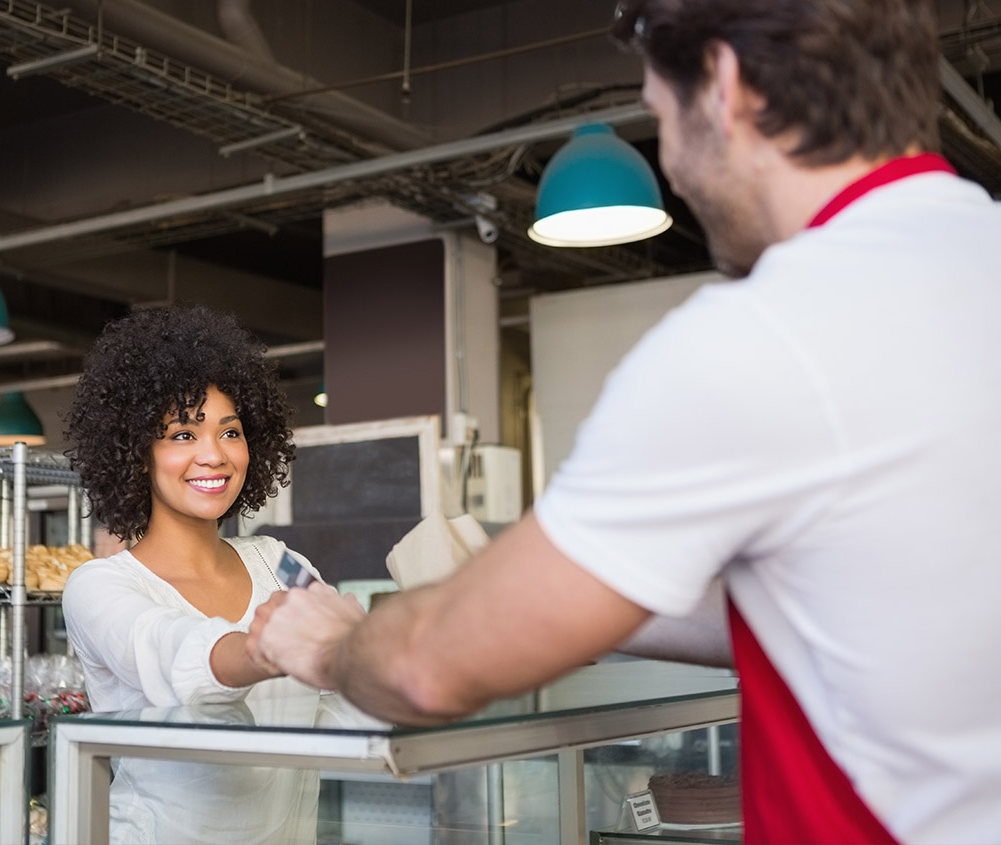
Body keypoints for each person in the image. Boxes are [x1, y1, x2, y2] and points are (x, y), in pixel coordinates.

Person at [249, 2, 1001, 843]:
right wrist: (578, 587)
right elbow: (868, 593)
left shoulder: (764, 335)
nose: (673, 168)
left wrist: (332, 647)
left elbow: (428, 669)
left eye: (662, 116)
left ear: (723, 84)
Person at [62, 304, 321, 844]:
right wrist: (274, 646)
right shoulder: (101, 587)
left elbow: (347, 693)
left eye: (231, 432)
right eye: (183, 434)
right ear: (137, 453)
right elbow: (174, 651)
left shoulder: (279, 564)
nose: (214, 455)